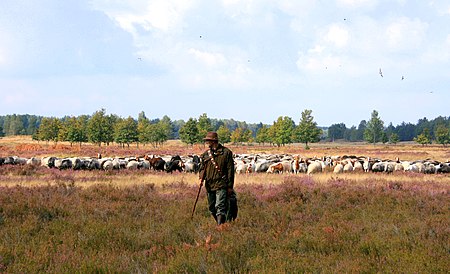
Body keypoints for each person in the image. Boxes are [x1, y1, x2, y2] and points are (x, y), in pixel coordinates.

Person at [198, 131, 236, 225]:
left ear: (214, 141)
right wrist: (201, 176)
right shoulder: (205, 155)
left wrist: (230, 186)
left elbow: (230, 171)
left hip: (221, 184)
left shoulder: (226, 153)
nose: (207, 142)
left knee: (220, 206)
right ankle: (223, 223)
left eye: (208, 141)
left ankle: (220, 227)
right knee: (211, 208)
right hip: (209, 185)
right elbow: (201, 168)